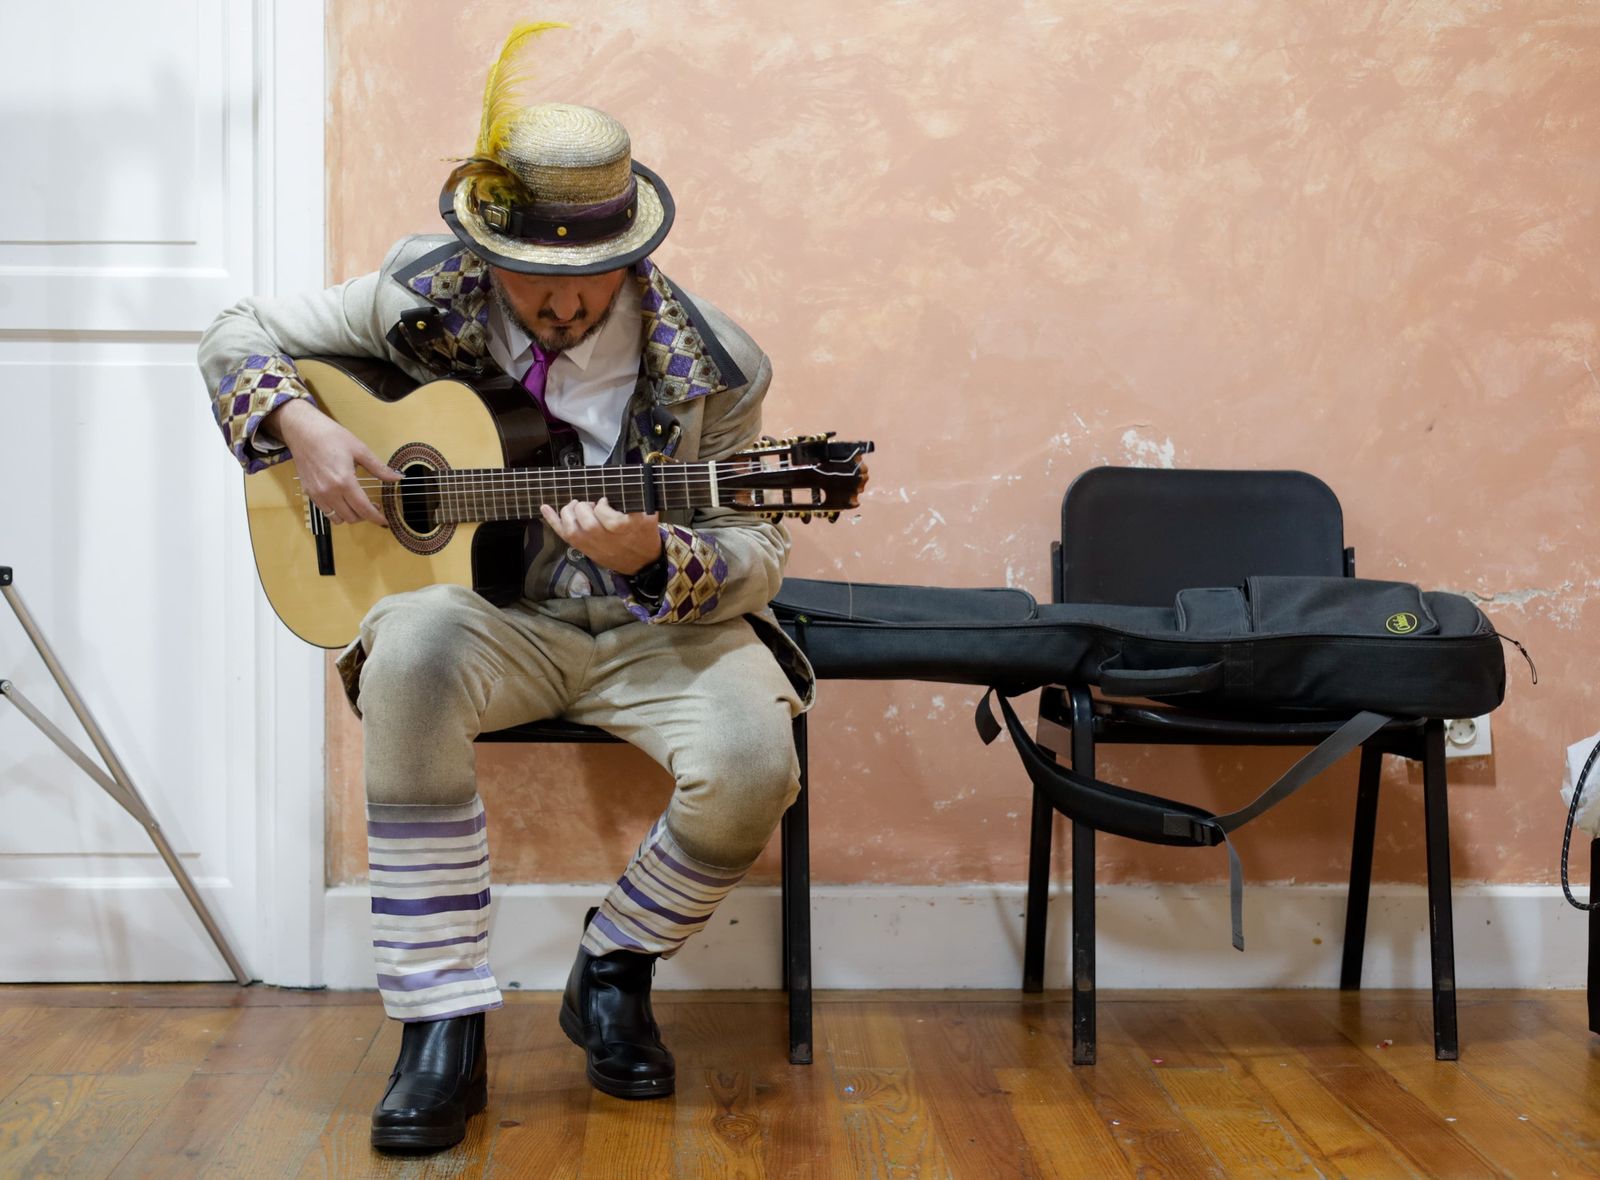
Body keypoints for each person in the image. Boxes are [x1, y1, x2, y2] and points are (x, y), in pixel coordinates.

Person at [197, 23, 812, 1153]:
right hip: (491, 618)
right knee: (413, 651)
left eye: (590, 278)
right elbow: (234, 330)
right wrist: (306, 430)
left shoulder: (718, 366)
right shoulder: (414, 297)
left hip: (647, 627)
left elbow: (759, 551)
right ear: (488, 249)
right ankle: (439, 1024)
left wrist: (658, 557)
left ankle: (614, 964)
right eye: (535, 277)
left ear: (630, 252)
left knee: (756, 764)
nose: (561, 304)